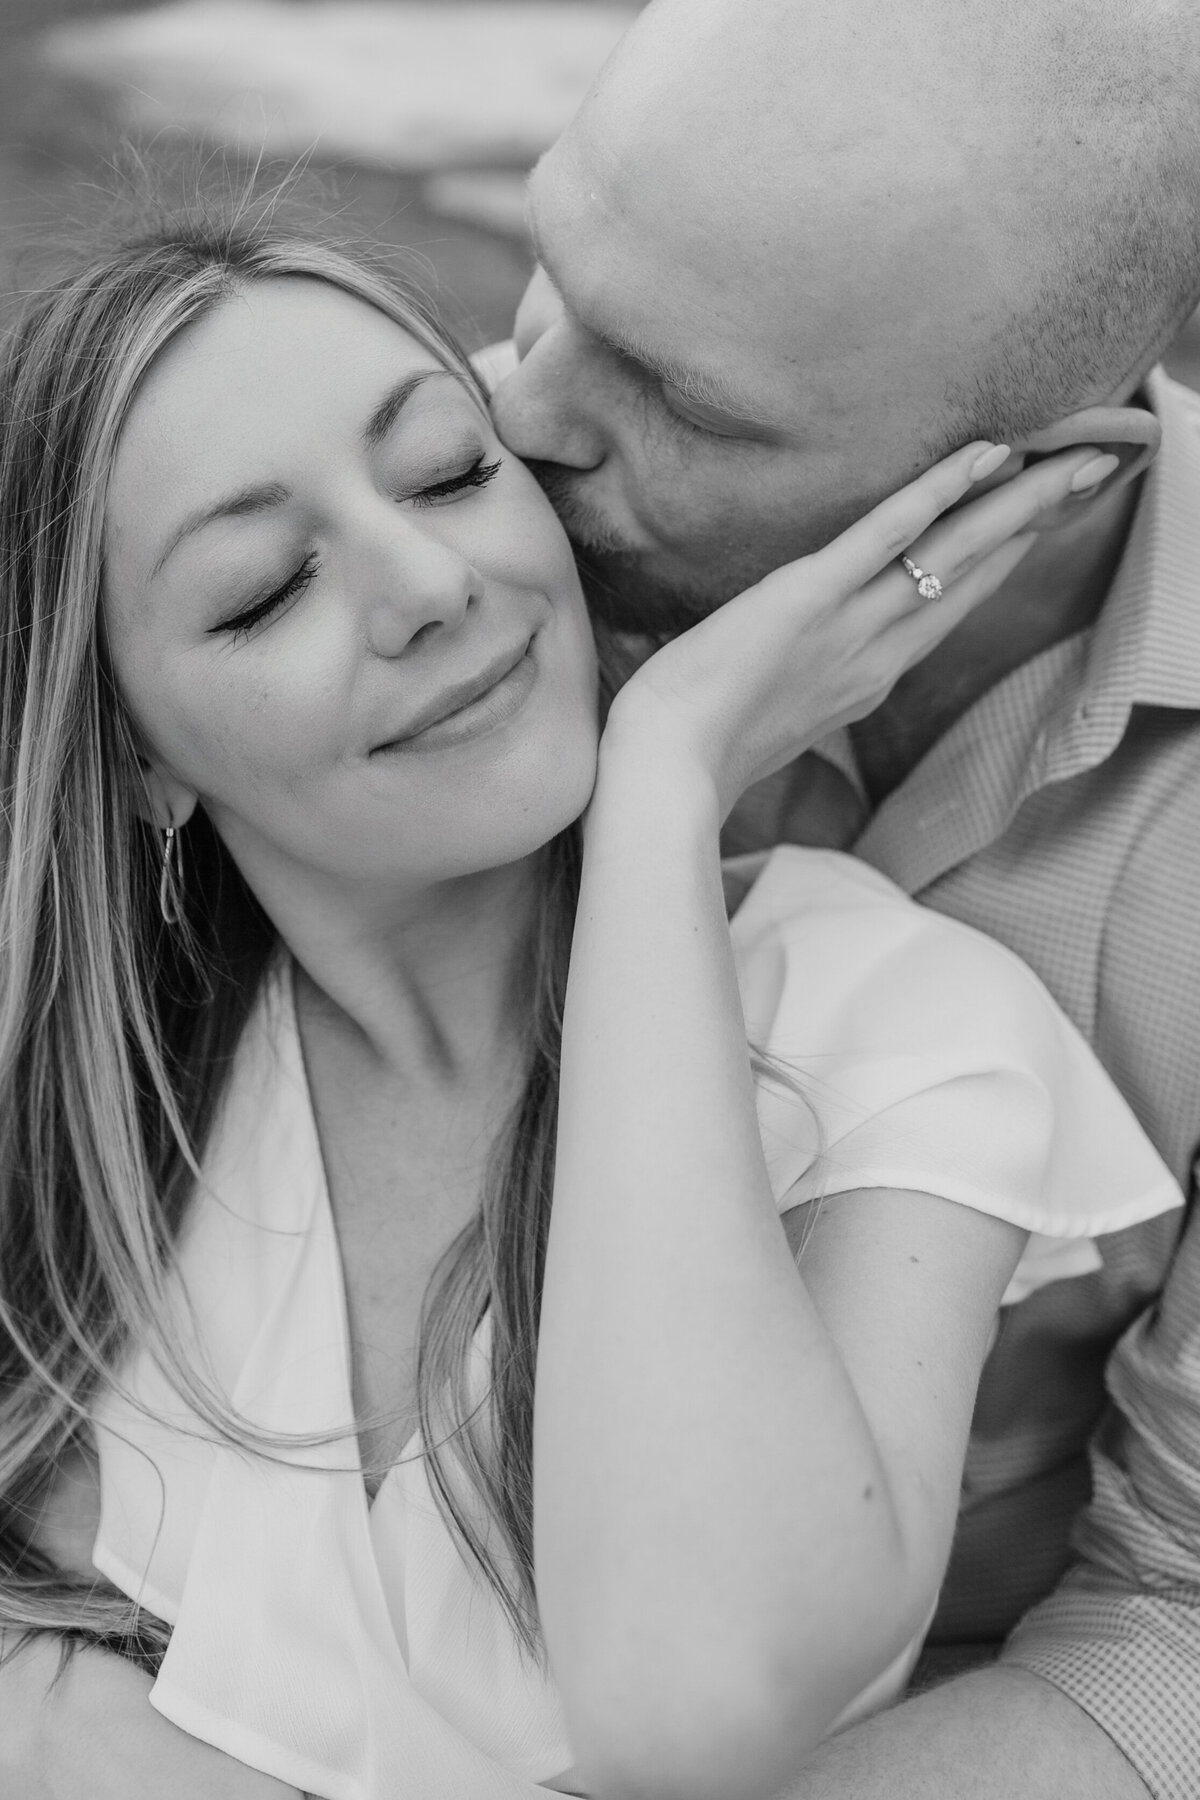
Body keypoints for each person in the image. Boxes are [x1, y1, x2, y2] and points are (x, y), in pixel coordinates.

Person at [0, 210, 1177, 1800]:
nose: (430, 584)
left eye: (446, 474)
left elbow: (701, 1709)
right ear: (138, 755)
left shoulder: (883, 1020)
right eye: (266, 587)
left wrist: (665, 784)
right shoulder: (113, 1087)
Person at [483, 0, 1200, 1796]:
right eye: (550, 262)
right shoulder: (415, 543)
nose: (519, 410)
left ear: (1049, 484)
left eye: (682, 403)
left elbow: (1175, 1634)